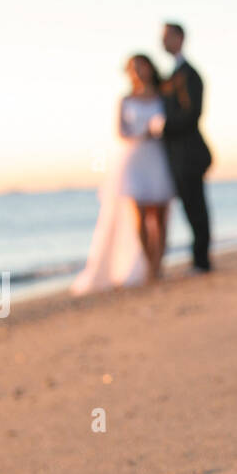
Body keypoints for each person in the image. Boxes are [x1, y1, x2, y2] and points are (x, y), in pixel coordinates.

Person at [72, 54, 175, 295]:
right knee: (139, 215)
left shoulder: (163, 95)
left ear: (150, 68)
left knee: (159, 216)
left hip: (158, 156)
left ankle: (158, 265)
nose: (138, 73)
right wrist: (143, 133)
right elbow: (120, 132)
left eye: (142, 67)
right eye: (134, 69)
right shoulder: (126, 99)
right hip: (135, 158)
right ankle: (149, 265)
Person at [150, 22, 213, 272]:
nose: (162, 42)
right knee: (190, 207)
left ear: (180, 38)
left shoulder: (189, 74)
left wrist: (162, 126)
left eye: (166, 37)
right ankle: (196, 259)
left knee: (196, 207)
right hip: (174, 156)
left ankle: (201, 260)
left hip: (190, 155)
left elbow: (193, 113)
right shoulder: (168, 77)